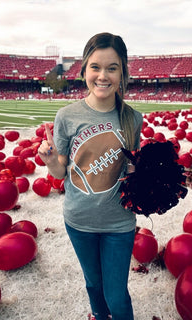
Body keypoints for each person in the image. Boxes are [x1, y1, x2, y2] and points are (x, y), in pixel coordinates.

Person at [38, 32, 143, 320]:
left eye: (112, 68)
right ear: (84, 70)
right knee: (94, 285)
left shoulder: (133, 118)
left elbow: (131, 170)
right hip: (79, 220)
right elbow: (62, 172)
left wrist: (149, 181)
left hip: (119, 223)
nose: (103, 75)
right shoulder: (67, 116)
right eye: (95, 67)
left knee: (116, 295)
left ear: (123, 72)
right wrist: (49, 161)